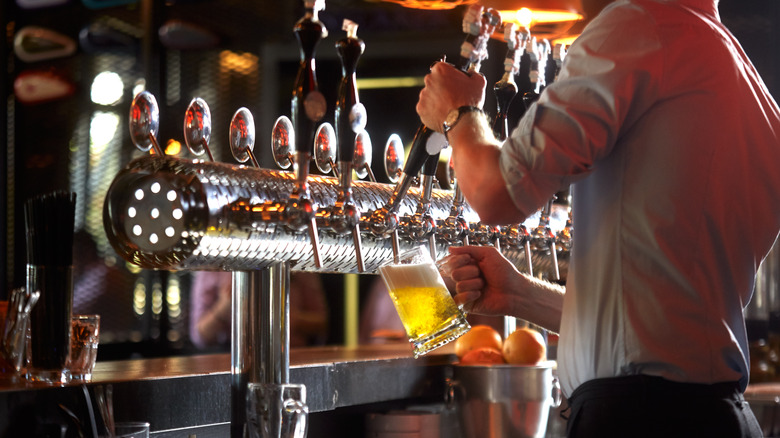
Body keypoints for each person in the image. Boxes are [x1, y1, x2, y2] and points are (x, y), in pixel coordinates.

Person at [416, 0, 780, 436]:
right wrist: (521, 295)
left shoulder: (638, 25)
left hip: (641, 418)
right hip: (714, 415)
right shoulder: (749, 84)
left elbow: (497, 193)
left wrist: (459, 115)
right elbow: (658, 320)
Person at [189, 271, 329, 349]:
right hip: (231, 358)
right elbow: (199, 335)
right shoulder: (212, 266)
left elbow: (322, 324)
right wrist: (224, 307)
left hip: (290, 355)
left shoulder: (296, 258)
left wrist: (291, 319)